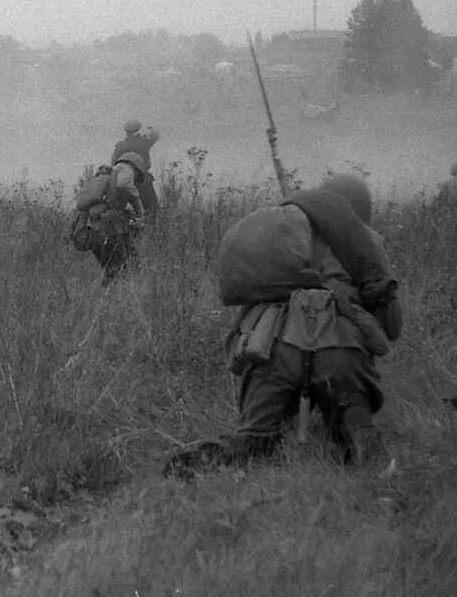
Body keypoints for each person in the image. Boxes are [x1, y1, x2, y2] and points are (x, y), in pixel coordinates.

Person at [166, 174, 403, 476]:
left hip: (273, 347)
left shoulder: (283, 232)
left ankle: (200, 463)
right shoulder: (367, 240)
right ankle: (370, 464)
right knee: (355, 430)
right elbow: (392, 326)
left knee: (255, 440)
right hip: (339, 347)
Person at [82, 152, 146, 283]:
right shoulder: (127, 169)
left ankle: (106, 297)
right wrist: (139, 207)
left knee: (111, 270)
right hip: (110, 229)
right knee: (124, 267)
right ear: (136, 167)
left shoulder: (108, 175)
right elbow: (124, 185)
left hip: (93, 228)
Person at [111, 119, 160, 222]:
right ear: (138, 129)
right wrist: (150, 128)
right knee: (151, 211)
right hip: (143, 180)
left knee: (125, 214)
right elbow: (155, 135)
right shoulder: (143, 142)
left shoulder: (120, 146)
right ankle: (148, 234)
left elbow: (113, 164)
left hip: (124, 180)